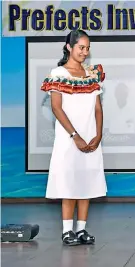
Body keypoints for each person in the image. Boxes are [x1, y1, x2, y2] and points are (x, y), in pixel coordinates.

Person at [41, 30, 107, 246]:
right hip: (69, 138)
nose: (85, 52)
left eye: (88, 48)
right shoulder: (59, 72)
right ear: (69, 47)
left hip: (90, 138)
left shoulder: (91, 74)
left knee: (86, 181)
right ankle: (67, 230)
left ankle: (81, 229)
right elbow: (56, 108)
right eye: (81, 47)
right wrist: (75, 136)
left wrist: (97, 135)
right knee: (69, 182)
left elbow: (98, 108)